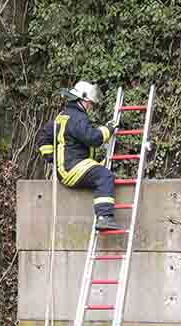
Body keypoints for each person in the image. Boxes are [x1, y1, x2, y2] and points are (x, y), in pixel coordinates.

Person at [36, 80, 122, 232]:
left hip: (68, 167)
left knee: (100, 172)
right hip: (72, 168)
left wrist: (52, 157)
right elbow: (93, 138)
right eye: (89, 102)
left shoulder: (63, 116)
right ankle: (104, 218)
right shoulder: (77, 118)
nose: (91, 106)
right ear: (81, 100)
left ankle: (104, 216)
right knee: (104, 176)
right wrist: (108, 129)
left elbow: (43, 135)